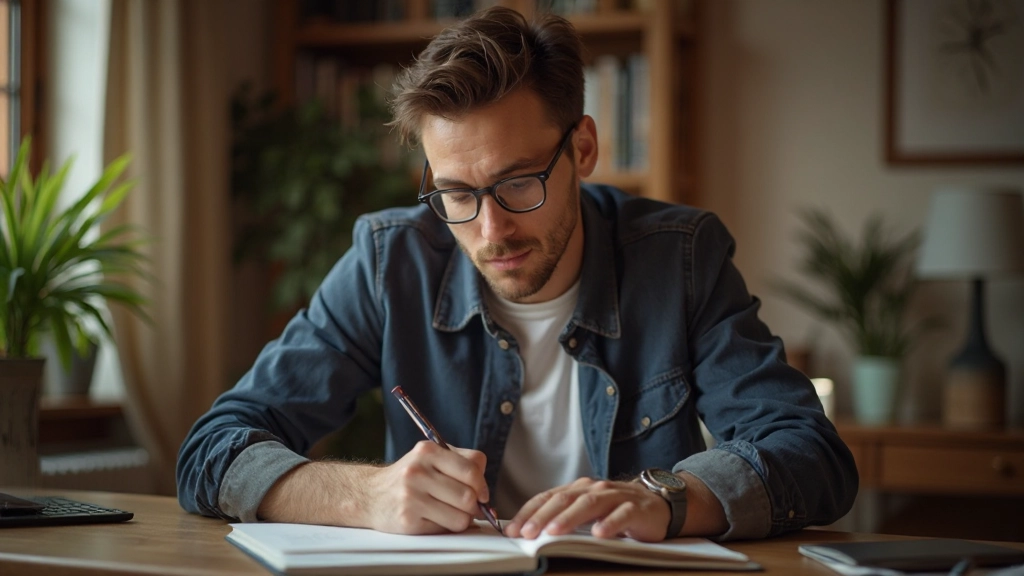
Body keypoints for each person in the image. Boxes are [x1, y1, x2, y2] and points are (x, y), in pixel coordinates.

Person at [177, 7, 857, 542]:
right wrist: (366, 496)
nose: (490, 230)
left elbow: (811, 455)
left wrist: (668, 498)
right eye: (456, 195)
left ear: (582, 148)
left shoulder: (679, 261)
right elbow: (211, 451)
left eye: (518, 184)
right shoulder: (392, 261)